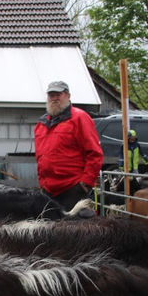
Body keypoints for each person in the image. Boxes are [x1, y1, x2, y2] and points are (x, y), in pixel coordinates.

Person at [34, 80, 103, 215]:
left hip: (73, 189)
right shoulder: (41, 124)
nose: (54, 98)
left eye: (58, 94)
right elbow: (40, 157)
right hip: (48, 191)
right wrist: (42, 183)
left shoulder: (80, 118)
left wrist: (86, 183)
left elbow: (94, 153)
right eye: (51, 95)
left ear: (68, 96)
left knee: (79, 232)